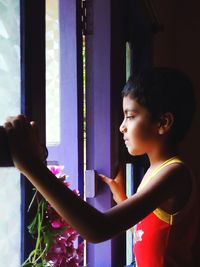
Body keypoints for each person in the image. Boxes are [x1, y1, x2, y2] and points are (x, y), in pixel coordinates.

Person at [4, 67, 199, 267]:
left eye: (130, 116)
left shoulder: (174, 173)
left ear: (163, 122)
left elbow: (98, 229)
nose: (121, 126)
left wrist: (31, 166)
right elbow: (147, 231)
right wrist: (121, 199)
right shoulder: (158, 170)